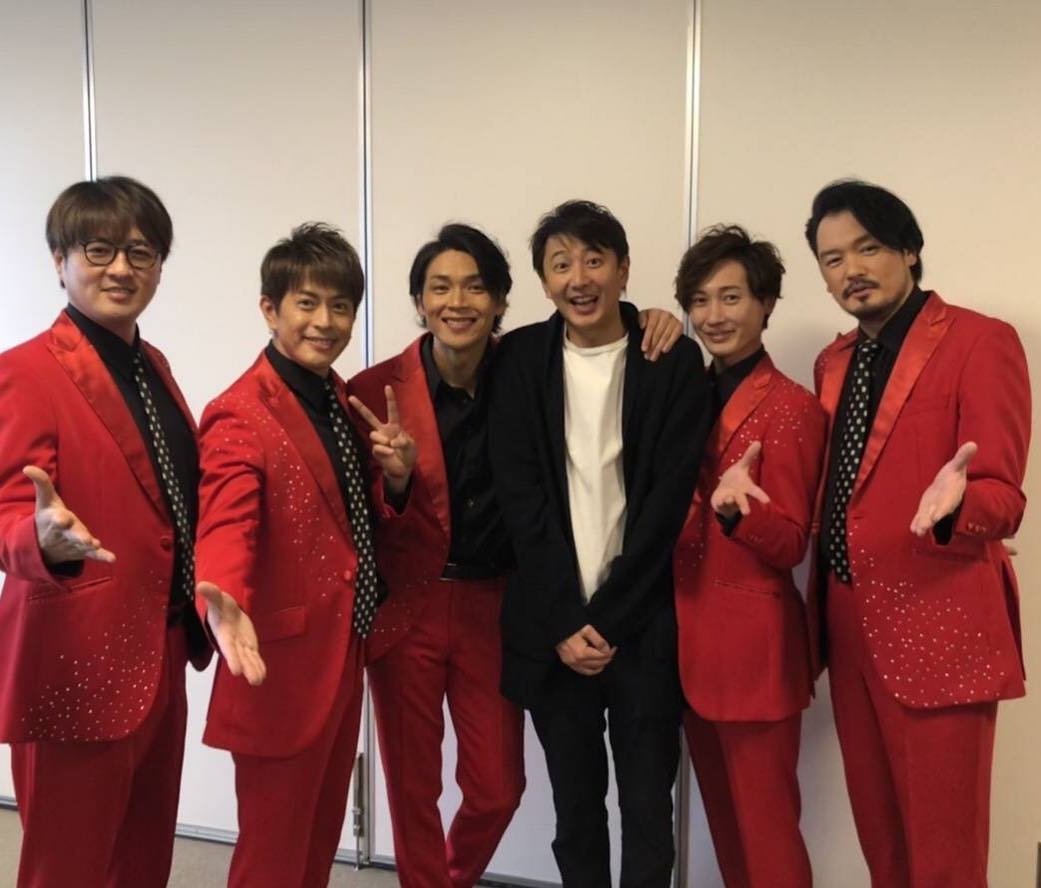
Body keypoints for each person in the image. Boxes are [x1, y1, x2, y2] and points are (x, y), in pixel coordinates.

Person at [347, 221, 683, 887]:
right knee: (413, 787)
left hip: (493, 602)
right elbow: (360, 519)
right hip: (411, 605)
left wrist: (651, 317)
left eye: (475, 287)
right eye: (440, 287)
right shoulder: (374, 389)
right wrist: (397, 481)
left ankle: (449, 877)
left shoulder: (523, 364)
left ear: (502, 299)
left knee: (498, 788)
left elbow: (597, 340)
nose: (457, 302)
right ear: (418, 300)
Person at [805, 180, 1030, 888]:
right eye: (832, 259)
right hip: (848, 624)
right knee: (883, 847)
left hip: (940, 619)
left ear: (908, 249)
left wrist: (955, 510)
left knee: (945, 861)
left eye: (867, 248)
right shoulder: (834, 361)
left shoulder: (980, 341)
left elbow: (1003, 498)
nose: (851, 270)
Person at [488, 200, 711, 886]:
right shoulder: (518, 360)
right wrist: (564, 621)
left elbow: (666, 504)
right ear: (543, 280)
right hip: (554, 628)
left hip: (641, 626)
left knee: (647, 811)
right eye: (560, 264)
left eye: (593, 260)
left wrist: (609, 618)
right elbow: (520, 500)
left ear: (623, 269)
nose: (578, 278)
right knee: (576, 811)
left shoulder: (668, 358)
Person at [0, 176, 212, 887]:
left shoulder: (153, 365)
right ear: (59, 260)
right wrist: (39, 542)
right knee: (68, 866)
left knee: (143, 859)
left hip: (163, 645)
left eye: (140, 253)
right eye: (99, 250)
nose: (121, 268)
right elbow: (7, 510)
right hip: (74, 654)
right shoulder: (25, 372)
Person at [194, 222, 386, 887]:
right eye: (307, 303)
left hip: (339, 654)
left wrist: (396, 478)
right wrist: (222, 598)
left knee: (314, 849)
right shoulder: (240, 413)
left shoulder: (338, 398)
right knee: (272, 861)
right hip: (275, 667)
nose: (325, 322)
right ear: (269, 309)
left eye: (340, 306)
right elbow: (228, 519)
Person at [672, 225, 825, 888]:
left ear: (765, 304)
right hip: (686, 642)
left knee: (767, 832)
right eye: (700, 300)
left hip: (755, 652)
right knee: (727, 828)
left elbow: (791, 542)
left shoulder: (792, 408)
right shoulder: (682, 394)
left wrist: (739, 513)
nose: (714, 315)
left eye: (731, 297)